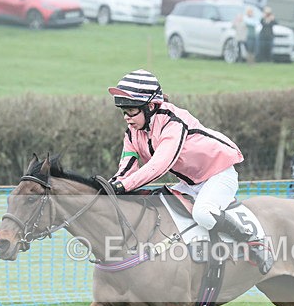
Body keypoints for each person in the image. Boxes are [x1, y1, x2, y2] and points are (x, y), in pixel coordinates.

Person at [106, 69, 272, 274]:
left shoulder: (172, 122)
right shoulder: (133, 132)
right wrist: (109, 186)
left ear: (150, 106)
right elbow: (127, 167)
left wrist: (123, 186)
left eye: (131, 111)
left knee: (203, 213)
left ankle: (252, 242)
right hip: (191, 183)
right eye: (123, 111)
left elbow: (160, 165)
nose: (126, 117)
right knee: (158, 207)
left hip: (219, 174)